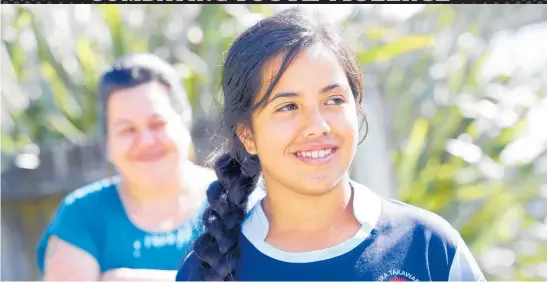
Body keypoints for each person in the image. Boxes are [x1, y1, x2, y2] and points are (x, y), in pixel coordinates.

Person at [176, 7, 486, 282]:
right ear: (247, 135)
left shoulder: (427, 246)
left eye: (333, 100)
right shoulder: (207, 269)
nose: (318, 126)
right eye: (287, 106)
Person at [37, 53, 215, 281]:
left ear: (185, 125)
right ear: (108, 143)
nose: (146, 141)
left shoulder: (240, 201)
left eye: (157, 124)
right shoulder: (81, 215)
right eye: (127, 130)